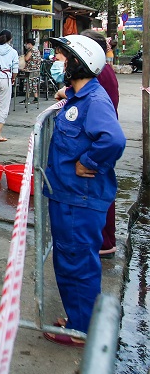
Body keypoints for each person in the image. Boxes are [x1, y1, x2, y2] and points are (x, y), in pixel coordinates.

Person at [43, 34, 126, 347]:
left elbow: (114, 140)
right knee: (70, 259)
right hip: (69, 195)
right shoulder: (81, 96)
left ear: (78, 63)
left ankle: (81, 329)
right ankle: (79, 317)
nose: (57, 61)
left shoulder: (94, 100)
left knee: (76, 262)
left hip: (80, 198)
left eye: (63, 57)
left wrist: (88, 161)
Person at [61, 30, 120, 259]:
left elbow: (113, 138)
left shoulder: (99, 77)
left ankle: (103, 242)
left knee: (97, 197)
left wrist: (89, 159)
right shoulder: (102, 72)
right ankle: (103, 240)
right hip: (94, 141)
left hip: (95, 144)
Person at [21, 38, 42, 104]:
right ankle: (36, 98)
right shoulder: (37, 50)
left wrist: (22, 57)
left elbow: (26, 59)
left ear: (29, 44)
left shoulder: (31, 50)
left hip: (30, 70)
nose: (25, 45)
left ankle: (27, 99)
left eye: (26, 44)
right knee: (34, 84)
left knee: (28, 84)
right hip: (36, 70)